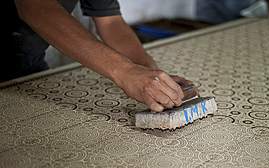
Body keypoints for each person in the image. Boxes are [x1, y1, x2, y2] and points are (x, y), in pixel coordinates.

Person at [5, 0, 197, 112]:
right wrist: (125, 72)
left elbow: (110, 21)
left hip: (28, 68)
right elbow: (36, 7)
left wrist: (151, 75)